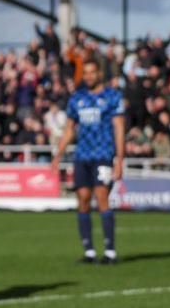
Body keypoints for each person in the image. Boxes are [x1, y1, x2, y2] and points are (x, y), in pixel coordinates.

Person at [51, 60, 125, 264]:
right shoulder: (77, 98)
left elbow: (119, 129)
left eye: (92, 72)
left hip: (103, 154)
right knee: (82, 199)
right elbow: (69, 129)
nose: (89, 76)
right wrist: (58, 155)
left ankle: (110, 252)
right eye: (86, 73)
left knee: (102, 196)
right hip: (82, 156)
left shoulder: (112, 96)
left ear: (99, 73)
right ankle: (89, 252)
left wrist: (119, 159)